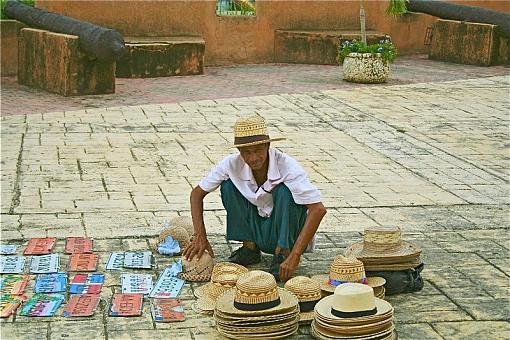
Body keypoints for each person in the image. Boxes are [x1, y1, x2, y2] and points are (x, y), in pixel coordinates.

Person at [183, 115, 326, 282]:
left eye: (258, 150)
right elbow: (196, 194)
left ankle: (283, 253)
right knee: (228, 185)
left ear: (268, 146)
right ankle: (249, 249)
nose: (253, 158)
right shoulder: (232, 164)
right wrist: (200, 235)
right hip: (257, 229)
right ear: (239, 152)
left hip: (283, 232)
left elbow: (318, 209)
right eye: (246, 152)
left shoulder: (287, 165)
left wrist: (295, 255)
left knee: (285, 192)